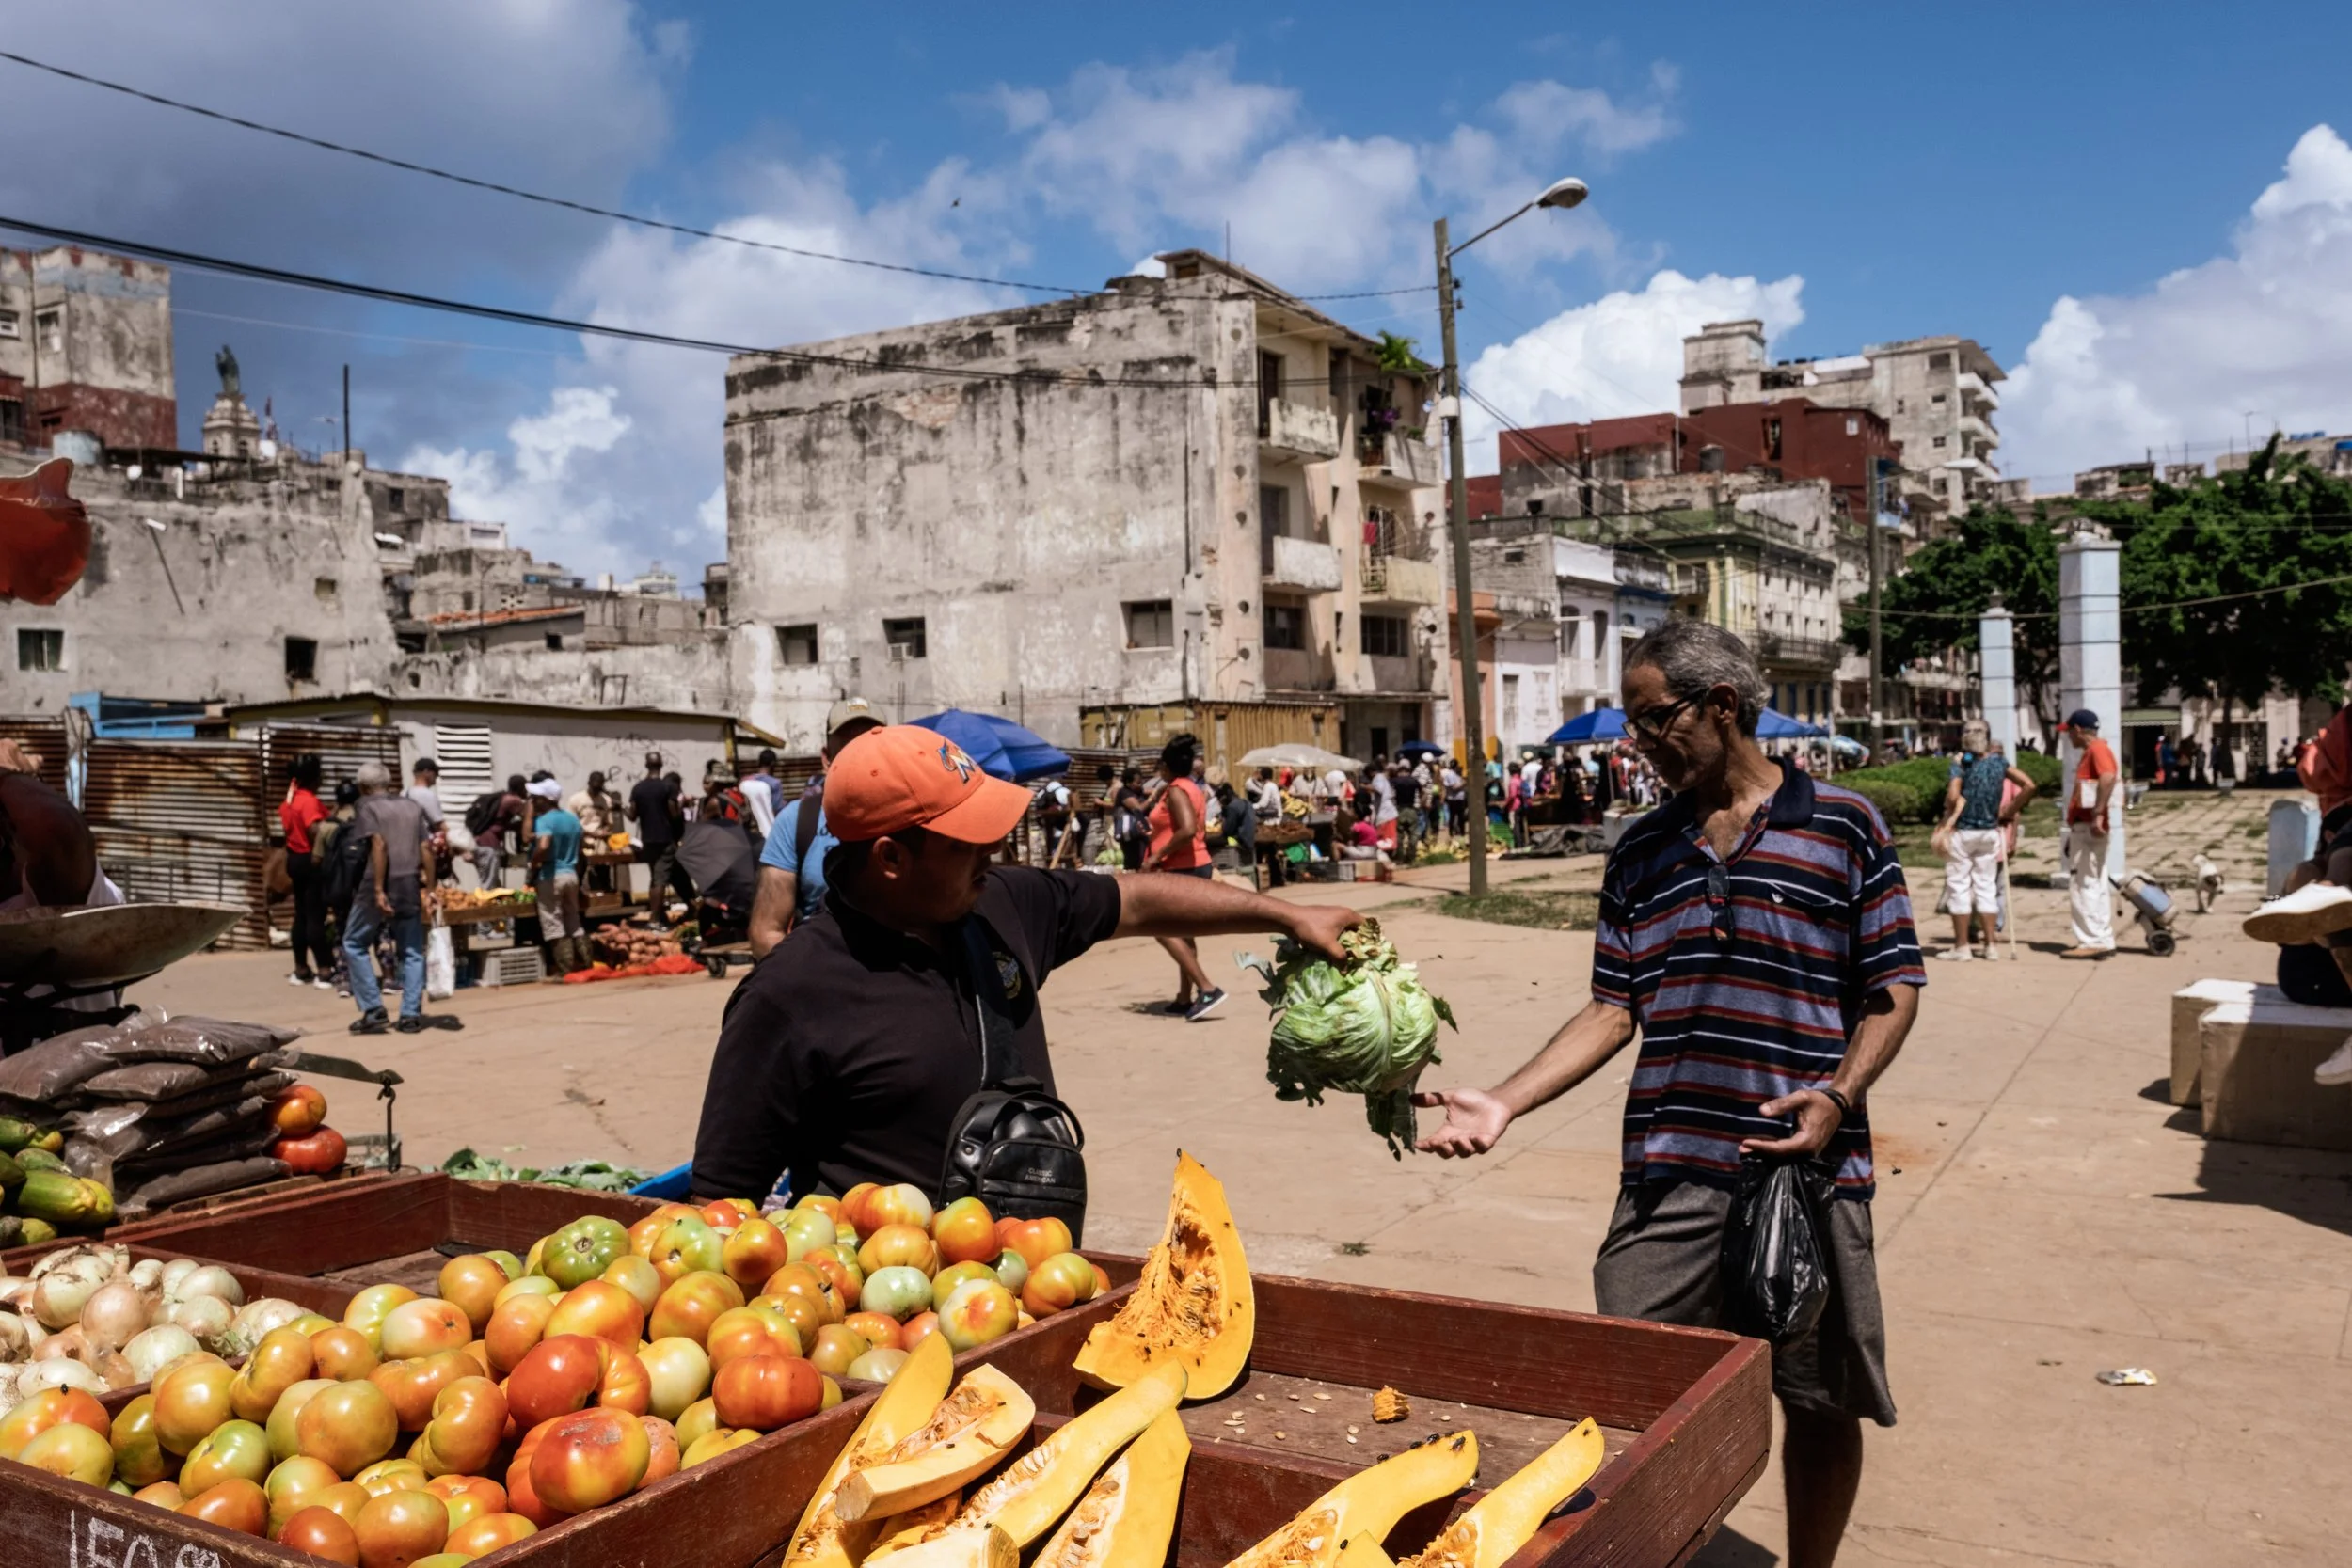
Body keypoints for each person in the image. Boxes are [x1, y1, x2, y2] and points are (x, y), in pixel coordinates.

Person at [1414, 620, 1923, 1568]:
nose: (1637, 744)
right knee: (1641, 1400)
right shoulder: (1640, 850)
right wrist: (1504, 1099)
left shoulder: (1843, 825)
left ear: (1720, 705)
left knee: (1817, 1398)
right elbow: (1613, 1008)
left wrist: (1839, 1095)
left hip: (1807, 1176)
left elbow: (1892, 989)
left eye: (1653, 721)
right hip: (1669, 1172)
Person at [689, 725, 1360, 1207]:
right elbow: (719, 1208)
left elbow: (1134, 897)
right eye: (968, 837)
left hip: (1034, 1295)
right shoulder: (790, 993)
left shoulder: (1002, 903)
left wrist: (1286, 915)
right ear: (891, 859)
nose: (996, 846)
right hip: (891, 1342)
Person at [750, 699, 887, 957]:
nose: (862, 754)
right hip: (821, 975)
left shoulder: (914, 815)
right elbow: (766, 932)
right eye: (849, 745)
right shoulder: (797, 820)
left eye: (872, 742)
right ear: (827, 758)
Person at [344, 761, 439, 1035]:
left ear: (362, 786)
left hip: (378, 883)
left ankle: (373, 1010)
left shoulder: (366, 806)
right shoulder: (411, 806)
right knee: (410, 950)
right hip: (409, 881)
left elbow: (378, 844)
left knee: (354, 942)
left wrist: (377, 890)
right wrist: (431, 889)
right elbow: (425, 848)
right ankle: (410, 1015)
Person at [1931, 721, 2037, 960]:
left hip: (1963, 831)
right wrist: (2009, 810)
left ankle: (1962, 946)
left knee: (1959, 886)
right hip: (1990, 832)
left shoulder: (1961, 765)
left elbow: (1953, 795)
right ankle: (1990, 945)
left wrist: (1949, 808)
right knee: (1986, 887)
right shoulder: (1999, 763)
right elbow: (2029, 785)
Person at [1142, 734, 1224, 1021]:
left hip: (1183, 867)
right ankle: (1184, 996)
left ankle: (1207, 988)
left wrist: (1156, 855)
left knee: (1161, 928)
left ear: (1166, 766)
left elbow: (1187, 829)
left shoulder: (1176, 790)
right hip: (1192, 864)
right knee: (1183, 934)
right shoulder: (1191, 787)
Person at [2058, 709, 2119, 959]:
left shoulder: (2096, 750)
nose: (2068, 737)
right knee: (2095, 880)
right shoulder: (2095, 751)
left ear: (2078, 730)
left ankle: (2091, 939)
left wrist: (2097, 813)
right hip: (2084, 827)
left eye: (2069, 732)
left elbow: (2108, 777)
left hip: (2088, 826)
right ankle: (2100, 937)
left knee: (2084, 883)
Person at [279, 753, 335, 990]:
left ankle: (301, 968)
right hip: (310, 860)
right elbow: (314, 830)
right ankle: (324, 969)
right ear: (314, 778)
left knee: (300, 915)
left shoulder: (290, 800)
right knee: (315, 916)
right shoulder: (309, 800)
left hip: (294, 859)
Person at [528, 779, 588, 974]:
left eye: (536, 798)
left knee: (553, 922)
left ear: (546, 799)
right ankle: (586, 963)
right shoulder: (572, 819)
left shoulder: (544, 820)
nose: (533, 801)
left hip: (551, 876)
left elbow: (544, 845)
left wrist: (534, 861)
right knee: (574, 921)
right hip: (571, 875)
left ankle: (565, 969)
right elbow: (580, 851)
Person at [628, 752, 691, 928]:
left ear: (646, 765)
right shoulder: (667, 787)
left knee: (655, 878)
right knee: (660, 880)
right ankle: (654, 920)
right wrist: (682, 806)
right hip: (665, 840)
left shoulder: (638, 788)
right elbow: (674, 814)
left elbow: (632, 816)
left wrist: (620, 807)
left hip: (648, 841)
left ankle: (658, 914)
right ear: (661, 765)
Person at [1113, 768, 1150, 871]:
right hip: (1131, 835)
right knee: (1133, 862)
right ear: (1128, 783)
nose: (1140, 784)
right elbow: (1139, 809)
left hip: (1140, 833)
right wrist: (1152, 799)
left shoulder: (1137, 791)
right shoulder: (1124, 793)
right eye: (1137, 782)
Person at [743, 750, 783, 841]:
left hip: (748, 833)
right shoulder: (775, 783)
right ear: (773, 764)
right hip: (768, 833)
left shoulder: (746, 781)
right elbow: (777, 811)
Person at [407, 758, 446, 828]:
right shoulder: (427, 795)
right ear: (427, 772)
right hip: (425, 837)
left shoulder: (404, 793)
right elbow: (439, 824)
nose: (436, 777)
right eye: (435, 774)